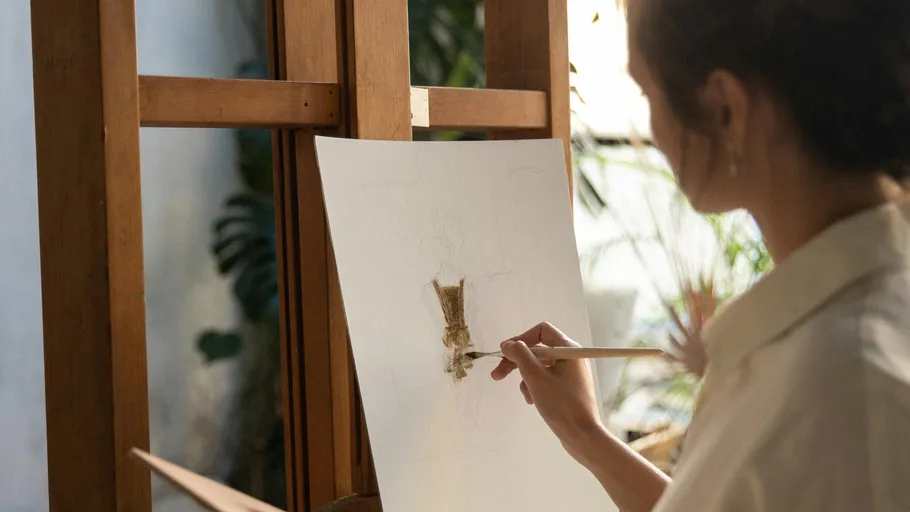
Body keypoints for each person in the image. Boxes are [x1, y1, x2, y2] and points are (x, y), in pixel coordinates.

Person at [492, 0, 910, 510]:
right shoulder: (842, 340)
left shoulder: (844, 390)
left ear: (725, 109)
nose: (651, 128)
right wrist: (585, 433)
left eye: (647, 92)